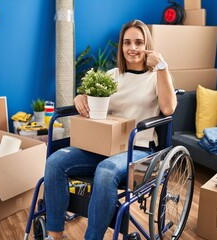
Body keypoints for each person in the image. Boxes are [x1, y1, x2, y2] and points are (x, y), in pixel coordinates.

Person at [44, 19, 177, 240]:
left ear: (147, 45)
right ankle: (55, 234)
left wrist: (162, 66)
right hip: (103, 146)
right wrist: (80, 97)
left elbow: (168, 108)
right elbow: (91, 99)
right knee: (55, 162)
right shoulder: (112, 76)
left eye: (138, 42)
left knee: (105, 171)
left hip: (139, 149)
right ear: (121, 46)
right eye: (127, 43)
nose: (132, 48)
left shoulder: (156, 76)